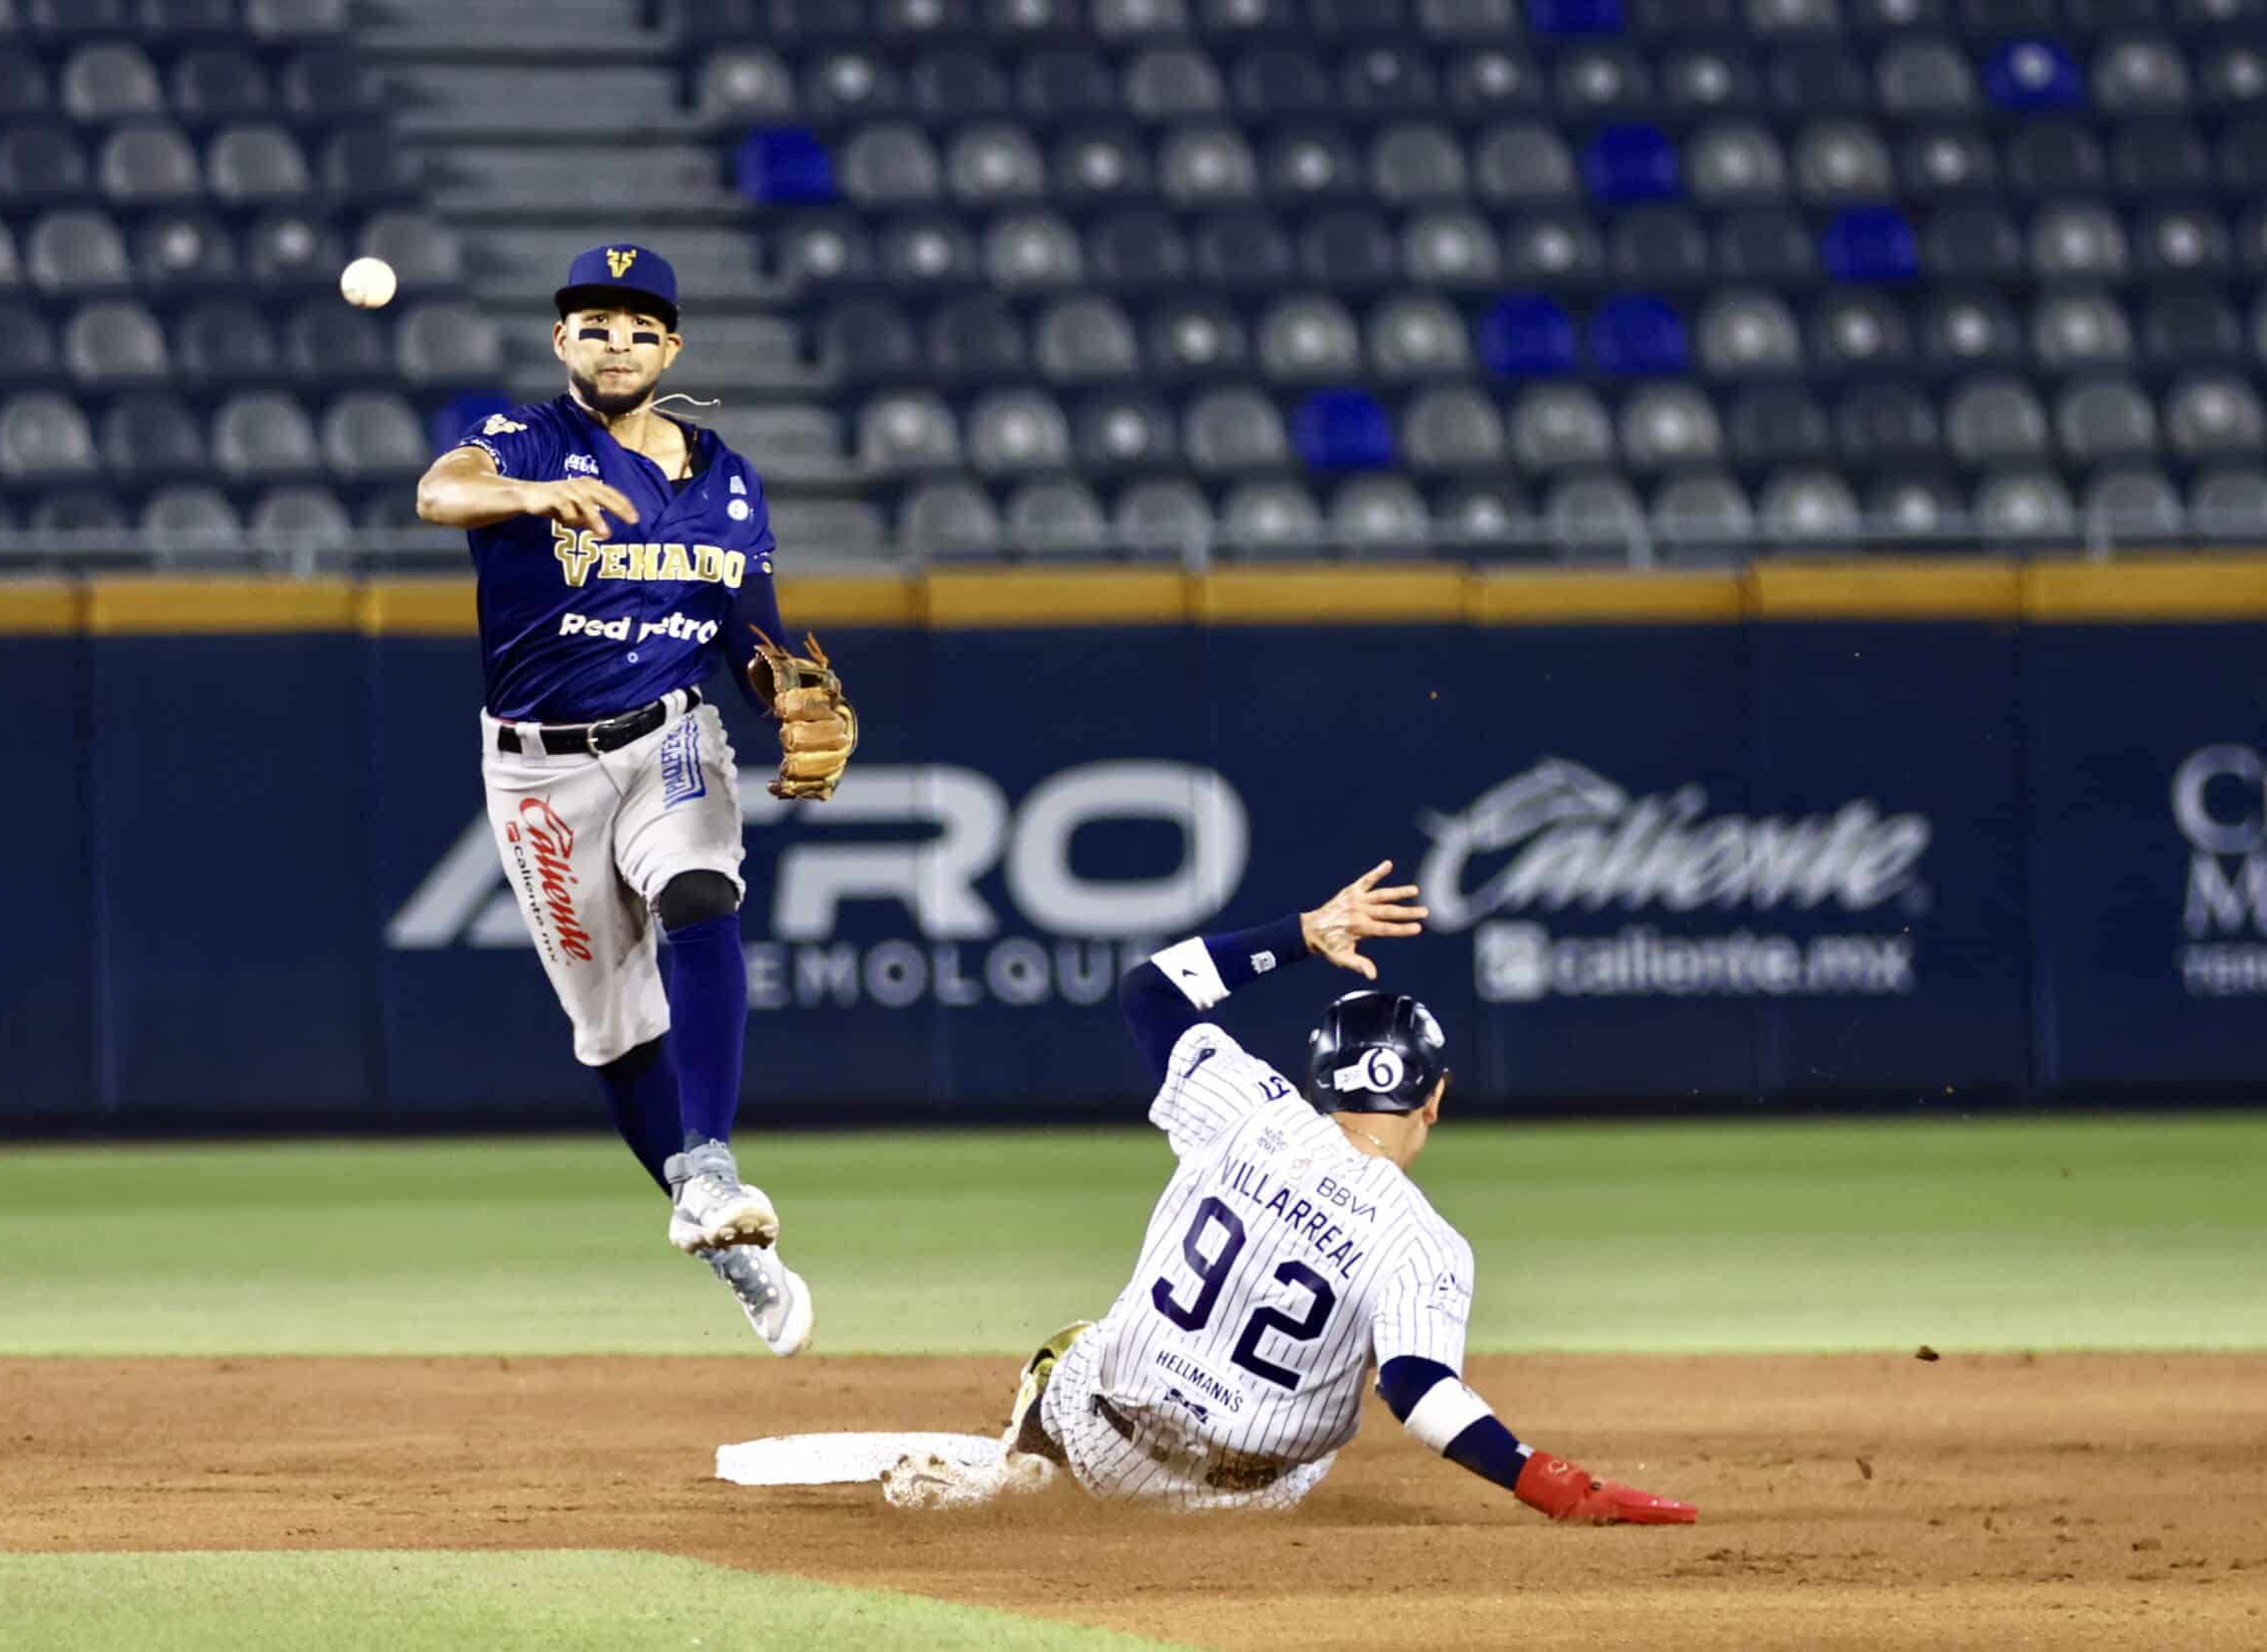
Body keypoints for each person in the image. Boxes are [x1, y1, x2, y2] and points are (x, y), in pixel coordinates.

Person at [885, 862, 1699, 1522]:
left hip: (1102, 1446)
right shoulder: (1425, 1243)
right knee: (1325, 1407)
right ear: (1434, 1098)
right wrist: (1550, 1482)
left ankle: (1021, 1469)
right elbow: (1418, 1393)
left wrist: (1303, 935)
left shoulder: (1246, 1101)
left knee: (1072, 1344)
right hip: (1233, 1504)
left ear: (1323, 1076)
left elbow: (1150, 991)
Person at [413, 244, 854, 1357]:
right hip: (534, 773)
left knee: (702, 890)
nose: (617, 342)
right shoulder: (527, 440)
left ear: (673, 348)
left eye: (639, 326)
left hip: (669, 736)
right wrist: (530, 493)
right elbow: (437, 490)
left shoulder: (729, 478)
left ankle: (707, 1164)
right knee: (610, 1030)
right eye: (594, 324)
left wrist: (779, 693)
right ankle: (729, 1241)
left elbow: (747, 623)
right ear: (563, 342)